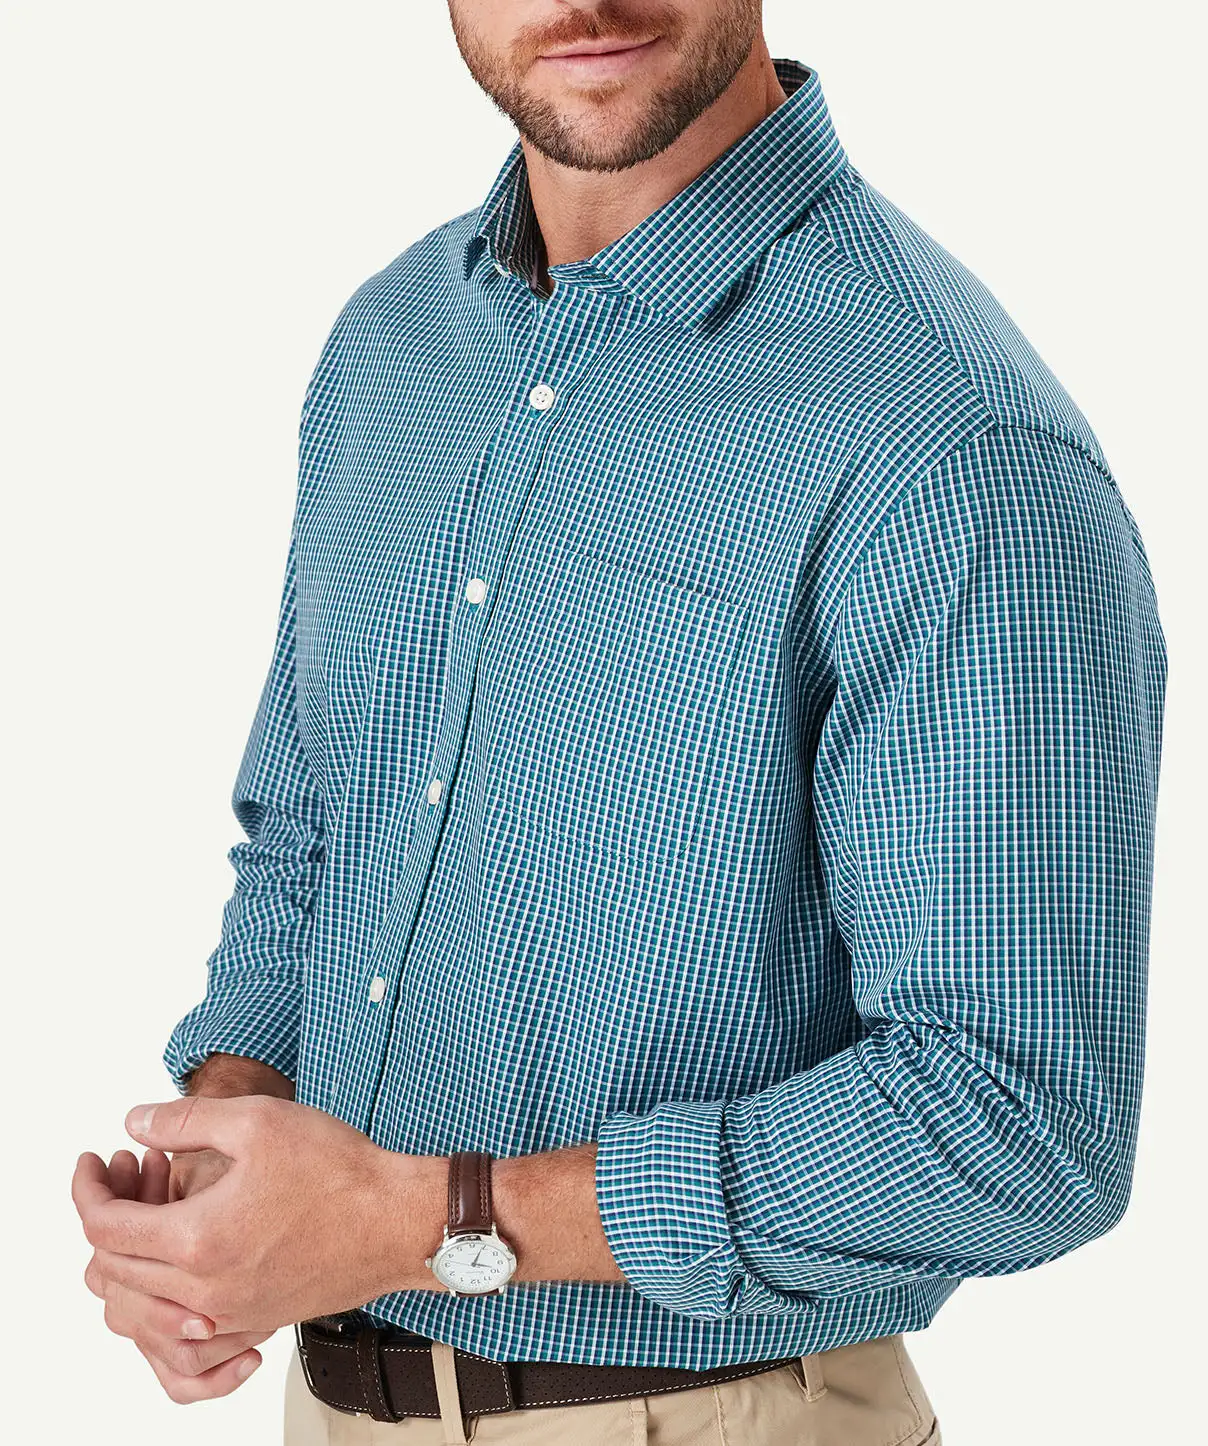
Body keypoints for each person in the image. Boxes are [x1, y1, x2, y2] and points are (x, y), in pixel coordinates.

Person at [72, 3, 1168, 1443]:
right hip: (333, 1408)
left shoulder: (950, 442)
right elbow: (312, 831)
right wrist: (225, 1158)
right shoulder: (393, 344)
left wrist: (430, 1218)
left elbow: (1020, 1121)